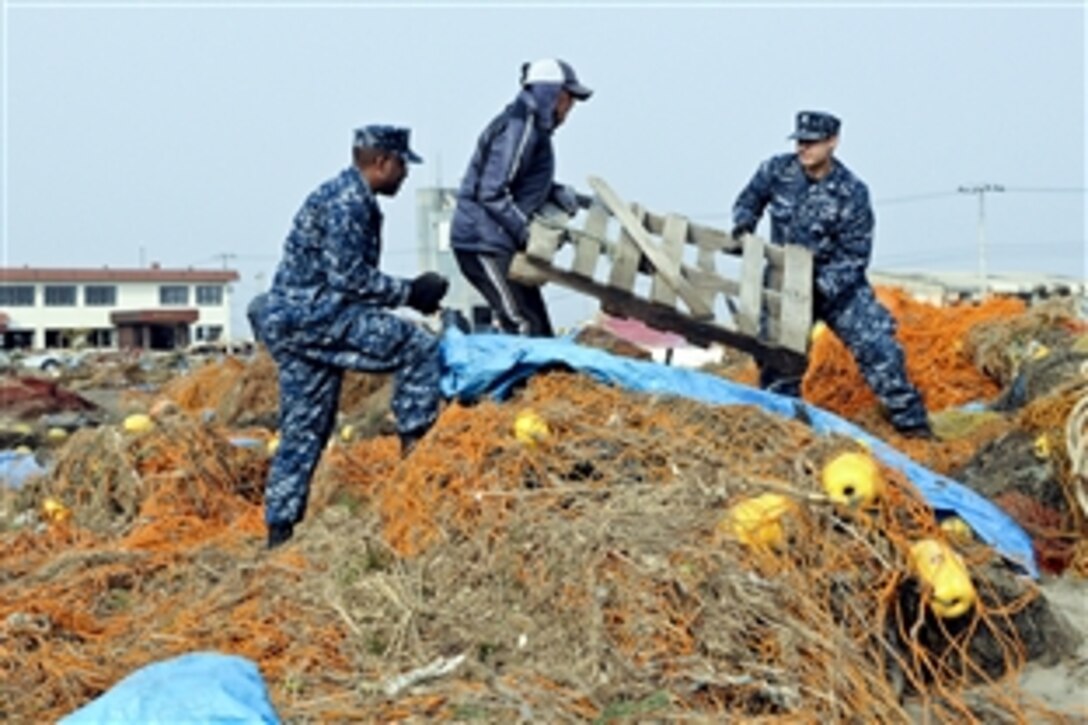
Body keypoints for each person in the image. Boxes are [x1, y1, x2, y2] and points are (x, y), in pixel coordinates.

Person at [249, 125, 450, 549]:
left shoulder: (343, 195)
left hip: (298, 321)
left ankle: (279, 533)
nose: (405, 174)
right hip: (318, 316)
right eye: (401, 165)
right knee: (418, 346)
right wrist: (411, 293)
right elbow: (349, 279)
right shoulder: (348, 202)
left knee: (305, 426)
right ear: (380, 162)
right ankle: (417, 459)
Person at [731, 111, 933, 438]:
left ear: (832, 143)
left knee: (880, 349)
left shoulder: (852, 192)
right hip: (785, 282)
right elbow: (749, 200)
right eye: (800, 142)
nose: (803, 149)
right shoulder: (776, 171)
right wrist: (743, 226)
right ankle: (785, 431)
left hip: (838, 288)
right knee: (779, 361)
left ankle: (915, 429)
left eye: (811, 143)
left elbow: (854, 256)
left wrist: (817, 288)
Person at [449, 58, 592, 337]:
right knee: (522, 325)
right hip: (482, 243)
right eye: (568, 102)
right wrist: (527, 234)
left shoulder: (535, 130)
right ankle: (526, 381)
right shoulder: (519, 128)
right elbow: (492, 192)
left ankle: (546, 379)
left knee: (539, 330)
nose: (568, 111)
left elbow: (520, 181)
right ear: (553, 96)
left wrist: (554, 191)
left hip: (501, 242)